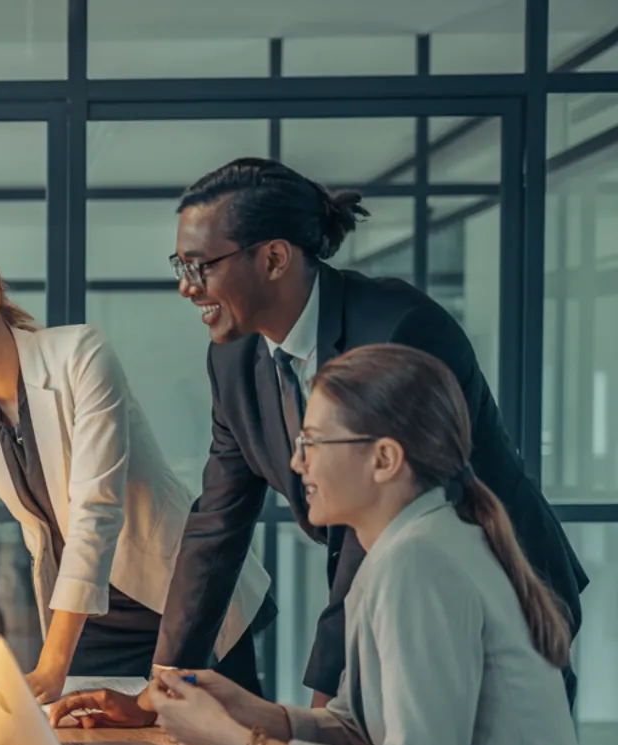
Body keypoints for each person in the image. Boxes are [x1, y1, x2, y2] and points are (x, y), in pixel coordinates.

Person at [77, 344, 617, 745]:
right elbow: (367, 729)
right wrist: (260, 715)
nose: (296, 463)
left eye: (312, 443)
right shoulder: (409, 545)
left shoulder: (420, 562)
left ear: (384, 459)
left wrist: (244, 744)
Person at [157, 157, 583, 707]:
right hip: (400, 600)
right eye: (181, 267)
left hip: (495, 596)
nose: (188, 289)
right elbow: (217, 524)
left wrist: (327, 703)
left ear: (274, 258)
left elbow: (381, 523)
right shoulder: (234, 361)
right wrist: (166, 685)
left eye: (200, 267)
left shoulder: (399, 330)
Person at [0, 241, 272, 703]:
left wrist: (51, 665)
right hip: (87, 615)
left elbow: (97, 508)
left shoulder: (79, 355)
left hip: (183, 597)